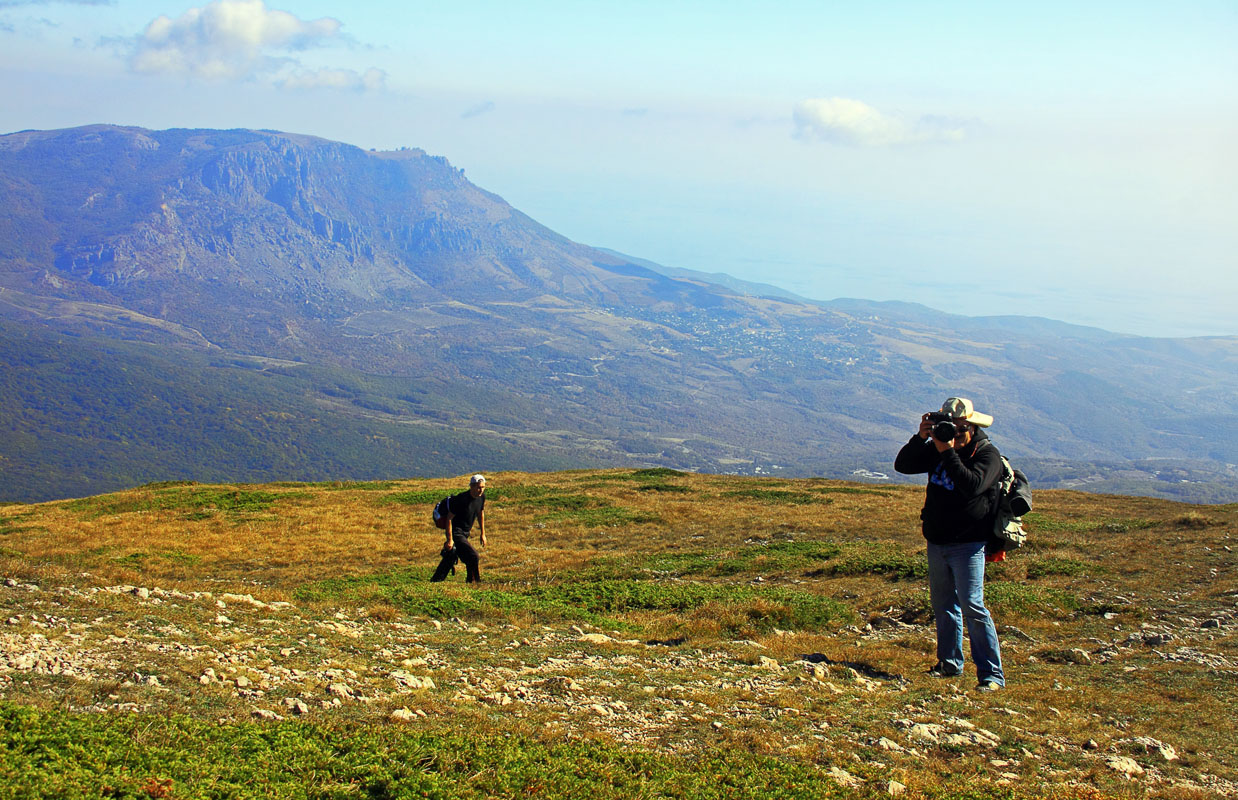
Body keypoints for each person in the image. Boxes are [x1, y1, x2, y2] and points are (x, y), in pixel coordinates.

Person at [894, 397, 1005, 691]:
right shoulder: (939, 447)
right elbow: (903, 465)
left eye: (959, 429)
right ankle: (949, 663)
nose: (953, 435)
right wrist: (921, 437)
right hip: (938, 540)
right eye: (949, 428)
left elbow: (971, 485)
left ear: (970, 427)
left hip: (969, 543)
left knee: (972, 605)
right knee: (944, 605)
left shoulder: (988, 455)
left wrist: (946, 451)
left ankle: (991, 676)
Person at [430, 474, 488, 583]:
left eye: (483, 487)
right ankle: (474, 582)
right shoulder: (461, 499)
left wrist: (483, 534)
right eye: (478, 487)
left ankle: (435, 581)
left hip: (465, 532)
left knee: (451, 556)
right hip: (456, 532)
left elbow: (481, 513)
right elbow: (449, 519)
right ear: (471, 486)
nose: (481, 490)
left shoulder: (481, 498)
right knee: (473, 556)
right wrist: (450, 539)